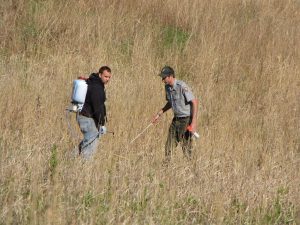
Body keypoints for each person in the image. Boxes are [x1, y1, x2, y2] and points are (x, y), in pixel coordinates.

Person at [152, 66, 198, 163]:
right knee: (169, 146)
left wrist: (193, 123)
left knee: (186, 148)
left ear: (171, 76)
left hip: (186, 119)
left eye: (164, 77)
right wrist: (159, 113)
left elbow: (194, 102)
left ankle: (192, 169)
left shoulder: (182, 86)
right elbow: (170, 103)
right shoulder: (167, 88)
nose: (163, 80)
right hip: (176, 119)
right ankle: (166, 168)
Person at [77, 66, 112, 159]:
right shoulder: (97, 88)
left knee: (86, 142)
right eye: (105, 76)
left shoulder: (92, 82)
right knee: (90, 147)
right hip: (88, 118)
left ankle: (69, 159)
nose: (107, 79)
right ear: (100, 75)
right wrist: (102, 123)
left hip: (83, 116)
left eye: (109, 77)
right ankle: (84, 168)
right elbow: (98, 107)